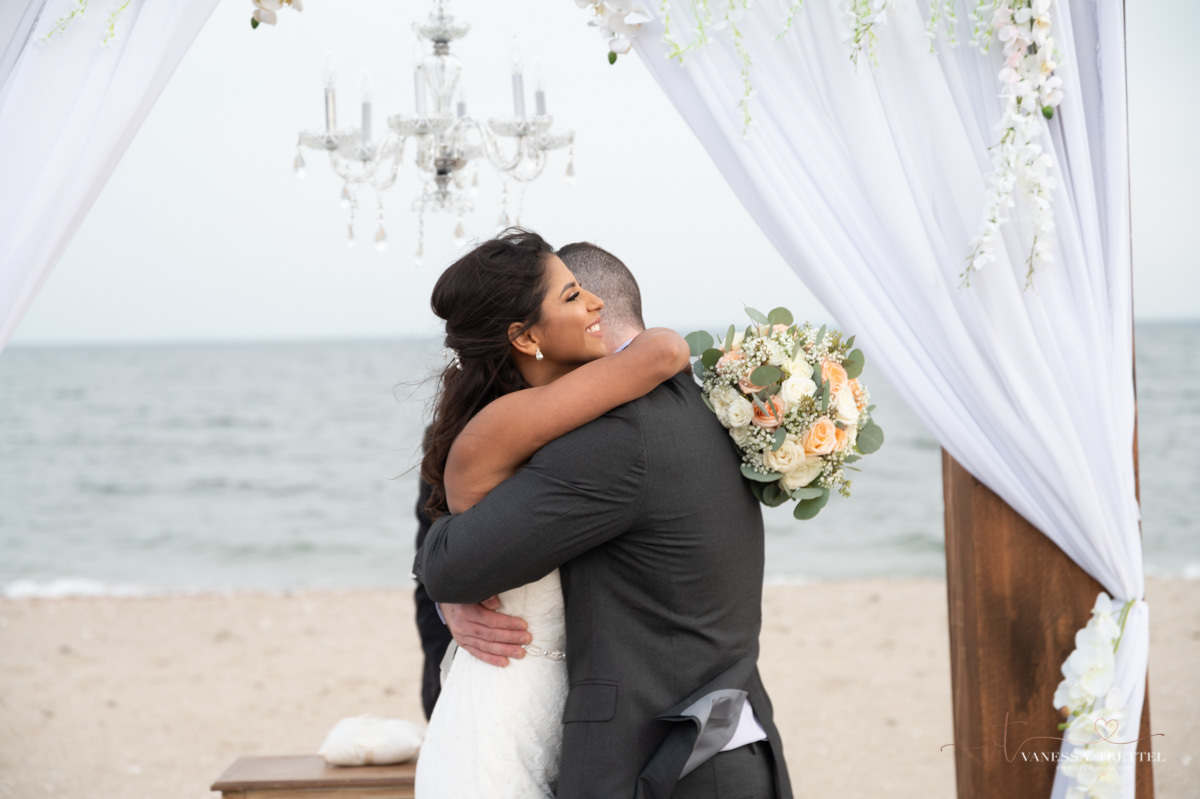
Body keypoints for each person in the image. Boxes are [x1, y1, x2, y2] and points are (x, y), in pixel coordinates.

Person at [416, 238, 792, 798]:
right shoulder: (696, 404)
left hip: (673, 756)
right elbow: (454, 563)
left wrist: (449, 580)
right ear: (525, 336)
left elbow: (453, 562)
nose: (590, 304)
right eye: (571, 295)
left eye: (585, 291)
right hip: (707, 736)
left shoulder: (614, 433)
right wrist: (450, 585)